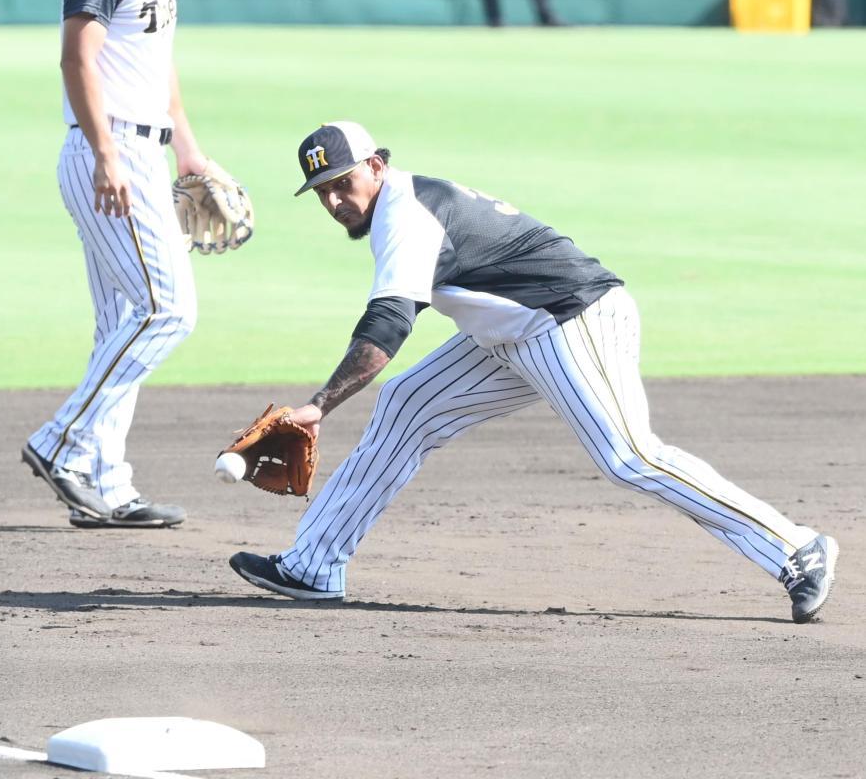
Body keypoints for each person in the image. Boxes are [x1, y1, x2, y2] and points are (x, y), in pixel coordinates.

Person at [229, 121, 839, 624]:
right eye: (322, 192)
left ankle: (796, 549)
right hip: (514, 332)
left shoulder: (405, 215)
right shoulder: (407, 201)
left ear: (377, 167)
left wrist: (319, 404)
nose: (336, 201)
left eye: (343, 182)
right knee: (407, 404)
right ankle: (313, 564)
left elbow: (388, 323)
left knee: (629, 457)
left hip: (574, 321)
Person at [22, 0, 215, 528]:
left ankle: (107, 485)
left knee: (121, 323)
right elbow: (77, 61)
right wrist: (107, 153)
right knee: (169, 313)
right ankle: (61, 442)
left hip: (143, 153)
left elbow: (155, 63)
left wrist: (187, 150)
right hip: (112, 157)